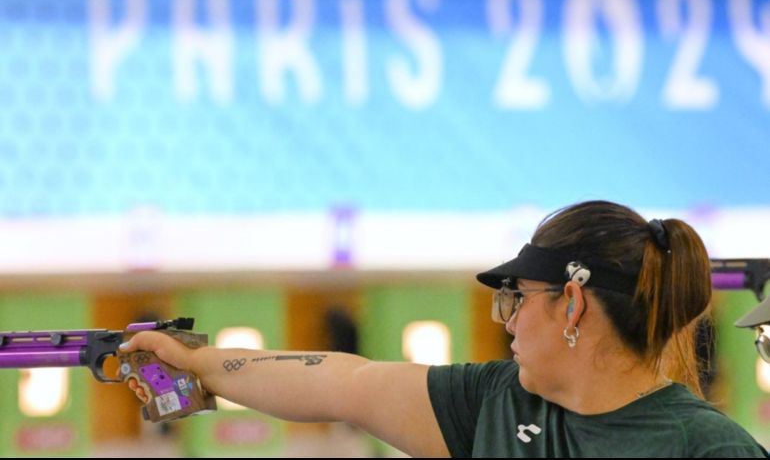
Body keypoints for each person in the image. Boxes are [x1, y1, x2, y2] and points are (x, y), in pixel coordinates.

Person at [121, 200, 768, 457]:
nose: (508, 320)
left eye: (519, 297)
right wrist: (197, 363)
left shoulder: (709, 449)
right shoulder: (495, 399)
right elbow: (343, 383)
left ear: (572, 304)